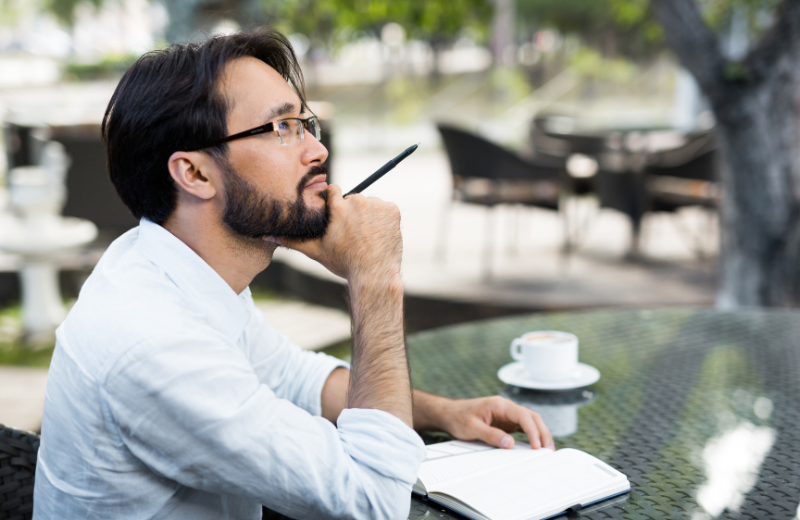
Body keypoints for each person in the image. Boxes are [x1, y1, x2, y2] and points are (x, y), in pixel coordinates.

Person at [32, 28, 553, 520]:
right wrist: (374, 279)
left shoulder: (172, 265)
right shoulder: (153, 343)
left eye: (306, 124)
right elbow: (372, 499)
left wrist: (444, 412)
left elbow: (295, 380)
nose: (316, 149)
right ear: (194, 173)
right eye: (281, 128)